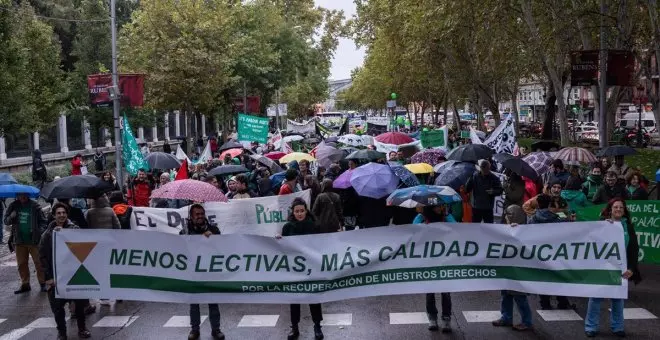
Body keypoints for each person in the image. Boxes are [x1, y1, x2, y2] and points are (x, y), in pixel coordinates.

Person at [584, 198, 641, 338]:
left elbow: (634, 249)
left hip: (620, 268)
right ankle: (591, 327)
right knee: (596, 297)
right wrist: (604, 226)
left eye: (621, 208)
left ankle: (618, 327)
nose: (618, 210)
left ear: (624, 211)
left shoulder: (628, 226)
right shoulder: (602, 225)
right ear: (610, 209)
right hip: (602, 267)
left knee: (618, 298)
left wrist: (632, 268)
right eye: (616, 207)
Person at [39, 203, 91, 340]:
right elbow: (42, 257)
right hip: (55, 279)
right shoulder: (47, 234)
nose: (61, 215)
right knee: (57, 308)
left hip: (73, 276)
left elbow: (84, 248)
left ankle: (82, 329)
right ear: (54, 215)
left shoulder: (75, 230)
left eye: (64, 213)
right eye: (58, 213)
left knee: (79, 306)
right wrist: (48, 277)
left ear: (67, 214)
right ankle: (61, 332)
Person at [277, 198, 324, 340]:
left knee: (313, 297)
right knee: (294, 298)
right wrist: (279, 239)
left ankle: (317, 326)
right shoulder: (287, 227)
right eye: (297, 211)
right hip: (294, 269)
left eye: (302, 211)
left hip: (311, 267)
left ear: (306, 211)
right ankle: (295, 327)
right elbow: (283, 248)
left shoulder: (314, 226)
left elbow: (322, 244)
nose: (299, 213)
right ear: (293, 212)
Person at [181, 204, 225, 340]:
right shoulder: (185, 231)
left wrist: (212, 238)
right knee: (194, 303)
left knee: (213, 302)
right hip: (193, 272)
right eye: (197, 214)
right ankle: (194, 330)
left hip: (210, 271)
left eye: (202, 214)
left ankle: (216, 329)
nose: (200, 216)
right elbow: (181, 248)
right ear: (191, 217)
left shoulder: (213, 229)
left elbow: (223, 247)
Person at [413, 204, 455, 332]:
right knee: (430, 291)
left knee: (445, 292)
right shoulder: (423, 219)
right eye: (436, 207)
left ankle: (446, 319)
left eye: (440, 206)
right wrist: (421, 215)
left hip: (444, 260)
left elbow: (456, 226)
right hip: (428, 261)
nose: (439, 209)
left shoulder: (445, 217)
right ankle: (432, 318)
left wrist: (447, 214)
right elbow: (413, 227)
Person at [529, 194, 576, 310]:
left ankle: (545, 303)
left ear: (538, 205)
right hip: (556, 253)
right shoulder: (557, 218)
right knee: (558, 277)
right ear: (550, 204)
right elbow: (568, 233)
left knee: (543, 278)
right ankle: (562, 302)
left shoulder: (533, 219)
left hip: (540, 254)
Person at [493, 205, 532, 331]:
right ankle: (506, 317)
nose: (505, 217)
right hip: (507, 268)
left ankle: (527, 321)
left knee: (520, 297)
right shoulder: (506, 229)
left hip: (518, 271)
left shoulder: (525, 231)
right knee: (505, 294)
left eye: (508, 215)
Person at [4, 193, 48, 294]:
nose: (22, 197)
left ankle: (43, 283)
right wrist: (11, 216)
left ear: (28, 195)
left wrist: (38, 232)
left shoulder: (35, 206)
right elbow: (6, 221)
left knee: (39, 263)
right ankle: (25, 284)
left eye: (24, 195)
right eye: (20, 195)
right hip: (19, 241)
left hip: (34, 241)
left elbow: (44, 222)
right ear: (17, 196)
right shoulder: (13, 206)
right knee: (21, 264)